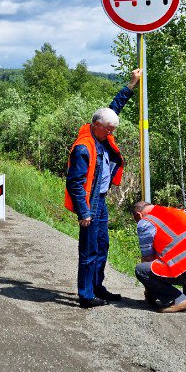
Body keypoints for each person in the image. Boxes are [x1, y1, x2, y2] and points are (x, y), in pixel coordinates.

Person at [65, 68, 141, 308]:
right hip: (90, 203)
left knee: (102, 245)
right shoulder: (83, 147)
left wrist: (132, 85)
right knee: (88, 250)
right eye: (108, 130)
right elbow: (75, 183)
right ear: (97, 125)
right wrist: (84, 212)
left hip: (101, 201)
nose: (111, 134)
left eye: (113, 130)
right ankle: (86, 295)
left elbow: (113, 108)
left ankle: (97, 287)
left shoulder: (101, 133)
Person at [133, 200, 186, 312]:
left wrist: (149, 288)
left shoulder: (145, 222)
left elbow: (147, 259)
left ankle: (179, 300)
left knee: (141, 270)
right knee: (185, 257)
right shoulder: (178, 212)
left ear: (138, 215)